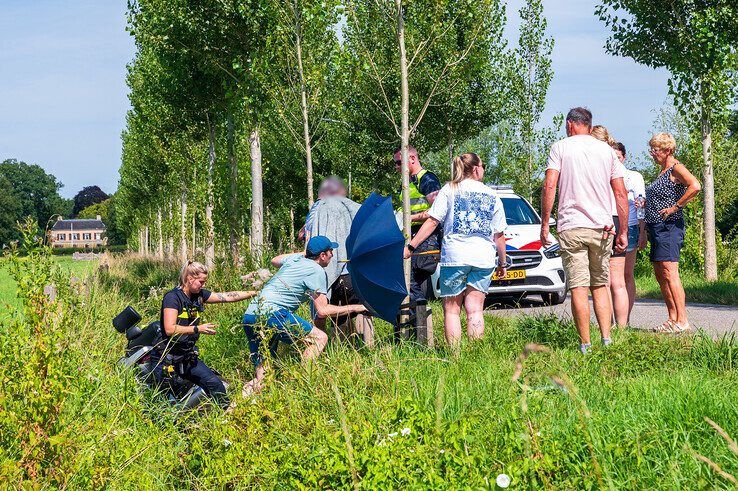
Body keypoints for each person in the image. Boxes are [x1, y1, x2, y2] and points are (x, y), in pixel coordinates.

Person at [540, 107, 629, 354]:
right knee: (600, 285)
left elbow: (549, 186)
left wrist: (545, 225)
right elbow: (621, 193)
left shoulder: (561, 147)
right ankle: (607, 340)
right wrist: (622, 232)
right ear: (589, 126)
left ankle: (585, 345)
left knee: (579, 286)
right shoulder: (607, 151)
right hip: (601, 228)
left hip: (571, 226)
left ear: (570, 124)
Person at [404, 153, 507, 348]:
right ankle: (475, 354)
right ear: (476, 168)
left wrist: (411, 246)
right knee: (475, 309)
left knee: (452, 310)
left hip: (456, 257)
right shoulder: (492, 194)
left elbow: (433, 221)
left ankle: (455, 355)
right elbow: (499, 235)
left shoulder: (449, 190)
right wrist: (502, 263)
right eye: (483, 166)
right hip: (483, 258)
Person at [242, 236, 367, 394]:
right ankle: (303, 386)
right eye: (330, 252)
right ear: (322, 255)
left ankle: (236, 408)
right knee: (320, 338)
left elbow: (275, 260)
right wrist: (357, 307)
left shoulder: (294, 259)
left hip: (251, 314)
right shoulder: (317, 271)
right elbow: (322, 310)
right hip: (273, 313)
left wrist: (306, 253)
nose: (333, 255)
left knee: (264, 378)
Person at [149, 261, 258, 409]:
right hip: (165, 357)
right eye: (201, 281)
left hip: (186, 357)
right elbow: (169, 328)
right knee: (160, 402)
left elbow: (227, 297)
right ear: (189, 278)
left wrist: (254, 293)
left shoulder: (199, 295)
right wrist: (197, 328)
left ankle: (227, 418)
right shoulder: (173, 297)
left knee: (215, 384)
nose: (203, 285)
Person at [304, 177, 373, 345]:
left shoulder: (317, 209)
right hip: (351, 270)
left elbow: (306, 235)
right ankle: (367, 348)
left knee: (327, 313)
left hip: (326, 271)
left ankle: (324, 348)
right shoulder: (351, 207)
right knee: (363, 310)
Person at [645, 132, 701, 333]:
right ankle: (672, 318)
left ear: (668, 150)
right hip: (656, 228)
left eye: (656, 149)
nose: (652, 153)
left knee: (670, 272)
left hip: (669, 227)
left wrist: (675, 207)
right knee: (661, 274)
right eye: (651, 149)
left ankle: (682, 321)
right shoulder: (663, 170)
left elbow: (695, 186)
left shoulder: (676, 167)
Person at [394, 145, 442, 313]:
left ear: (412, 159)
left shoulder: (427, 179)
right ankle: (412, 323)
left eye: (399, 162)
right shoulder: (407, 183)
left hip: (426, 238)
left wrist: (408, 218)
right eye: (396, 163)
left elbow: (437, 211)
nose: (397, 167)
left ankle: (421, 316)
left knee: (407, 278)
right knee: (405, 279)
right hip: (413, 236)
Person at [590, 126, 629, 328]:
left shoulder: (593, 164)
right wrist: (624, 229)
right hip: (617, 218)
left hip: (600, 220)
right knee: (619, 281)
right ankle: (623, 326)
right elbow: (623, 197)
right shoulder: (617, 164)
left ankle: (607, 324)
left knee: (602, 280)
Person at [613, 142, 647, 323]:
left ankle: (625, 319)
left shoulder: (634, 176)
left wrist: (643, 232)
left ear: (624, 158)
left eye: (618, 157)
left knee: (626, 274)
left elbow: (641, 204)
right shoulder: (605, 175)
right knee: (610, 279)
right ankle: (610, 318)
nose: (616, 161)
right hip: (611, 226)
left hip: (631, 227)